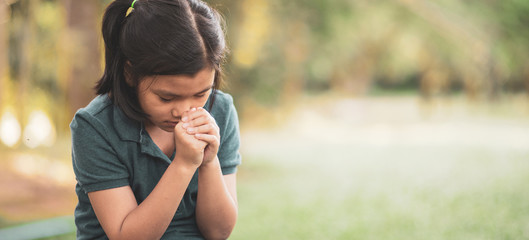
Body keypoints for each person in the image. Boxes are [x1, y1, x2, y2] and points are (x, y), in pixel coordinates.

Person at [70, 0, 241, 239]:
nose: (184, 111)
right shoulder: (95, 127)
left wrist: (209, 163)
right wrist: (183, 165)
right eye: (167, 97)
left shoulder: (220, 110)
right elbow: (126, 235)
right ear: (130, 73)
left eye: (201, 93)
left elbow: (218, 232)